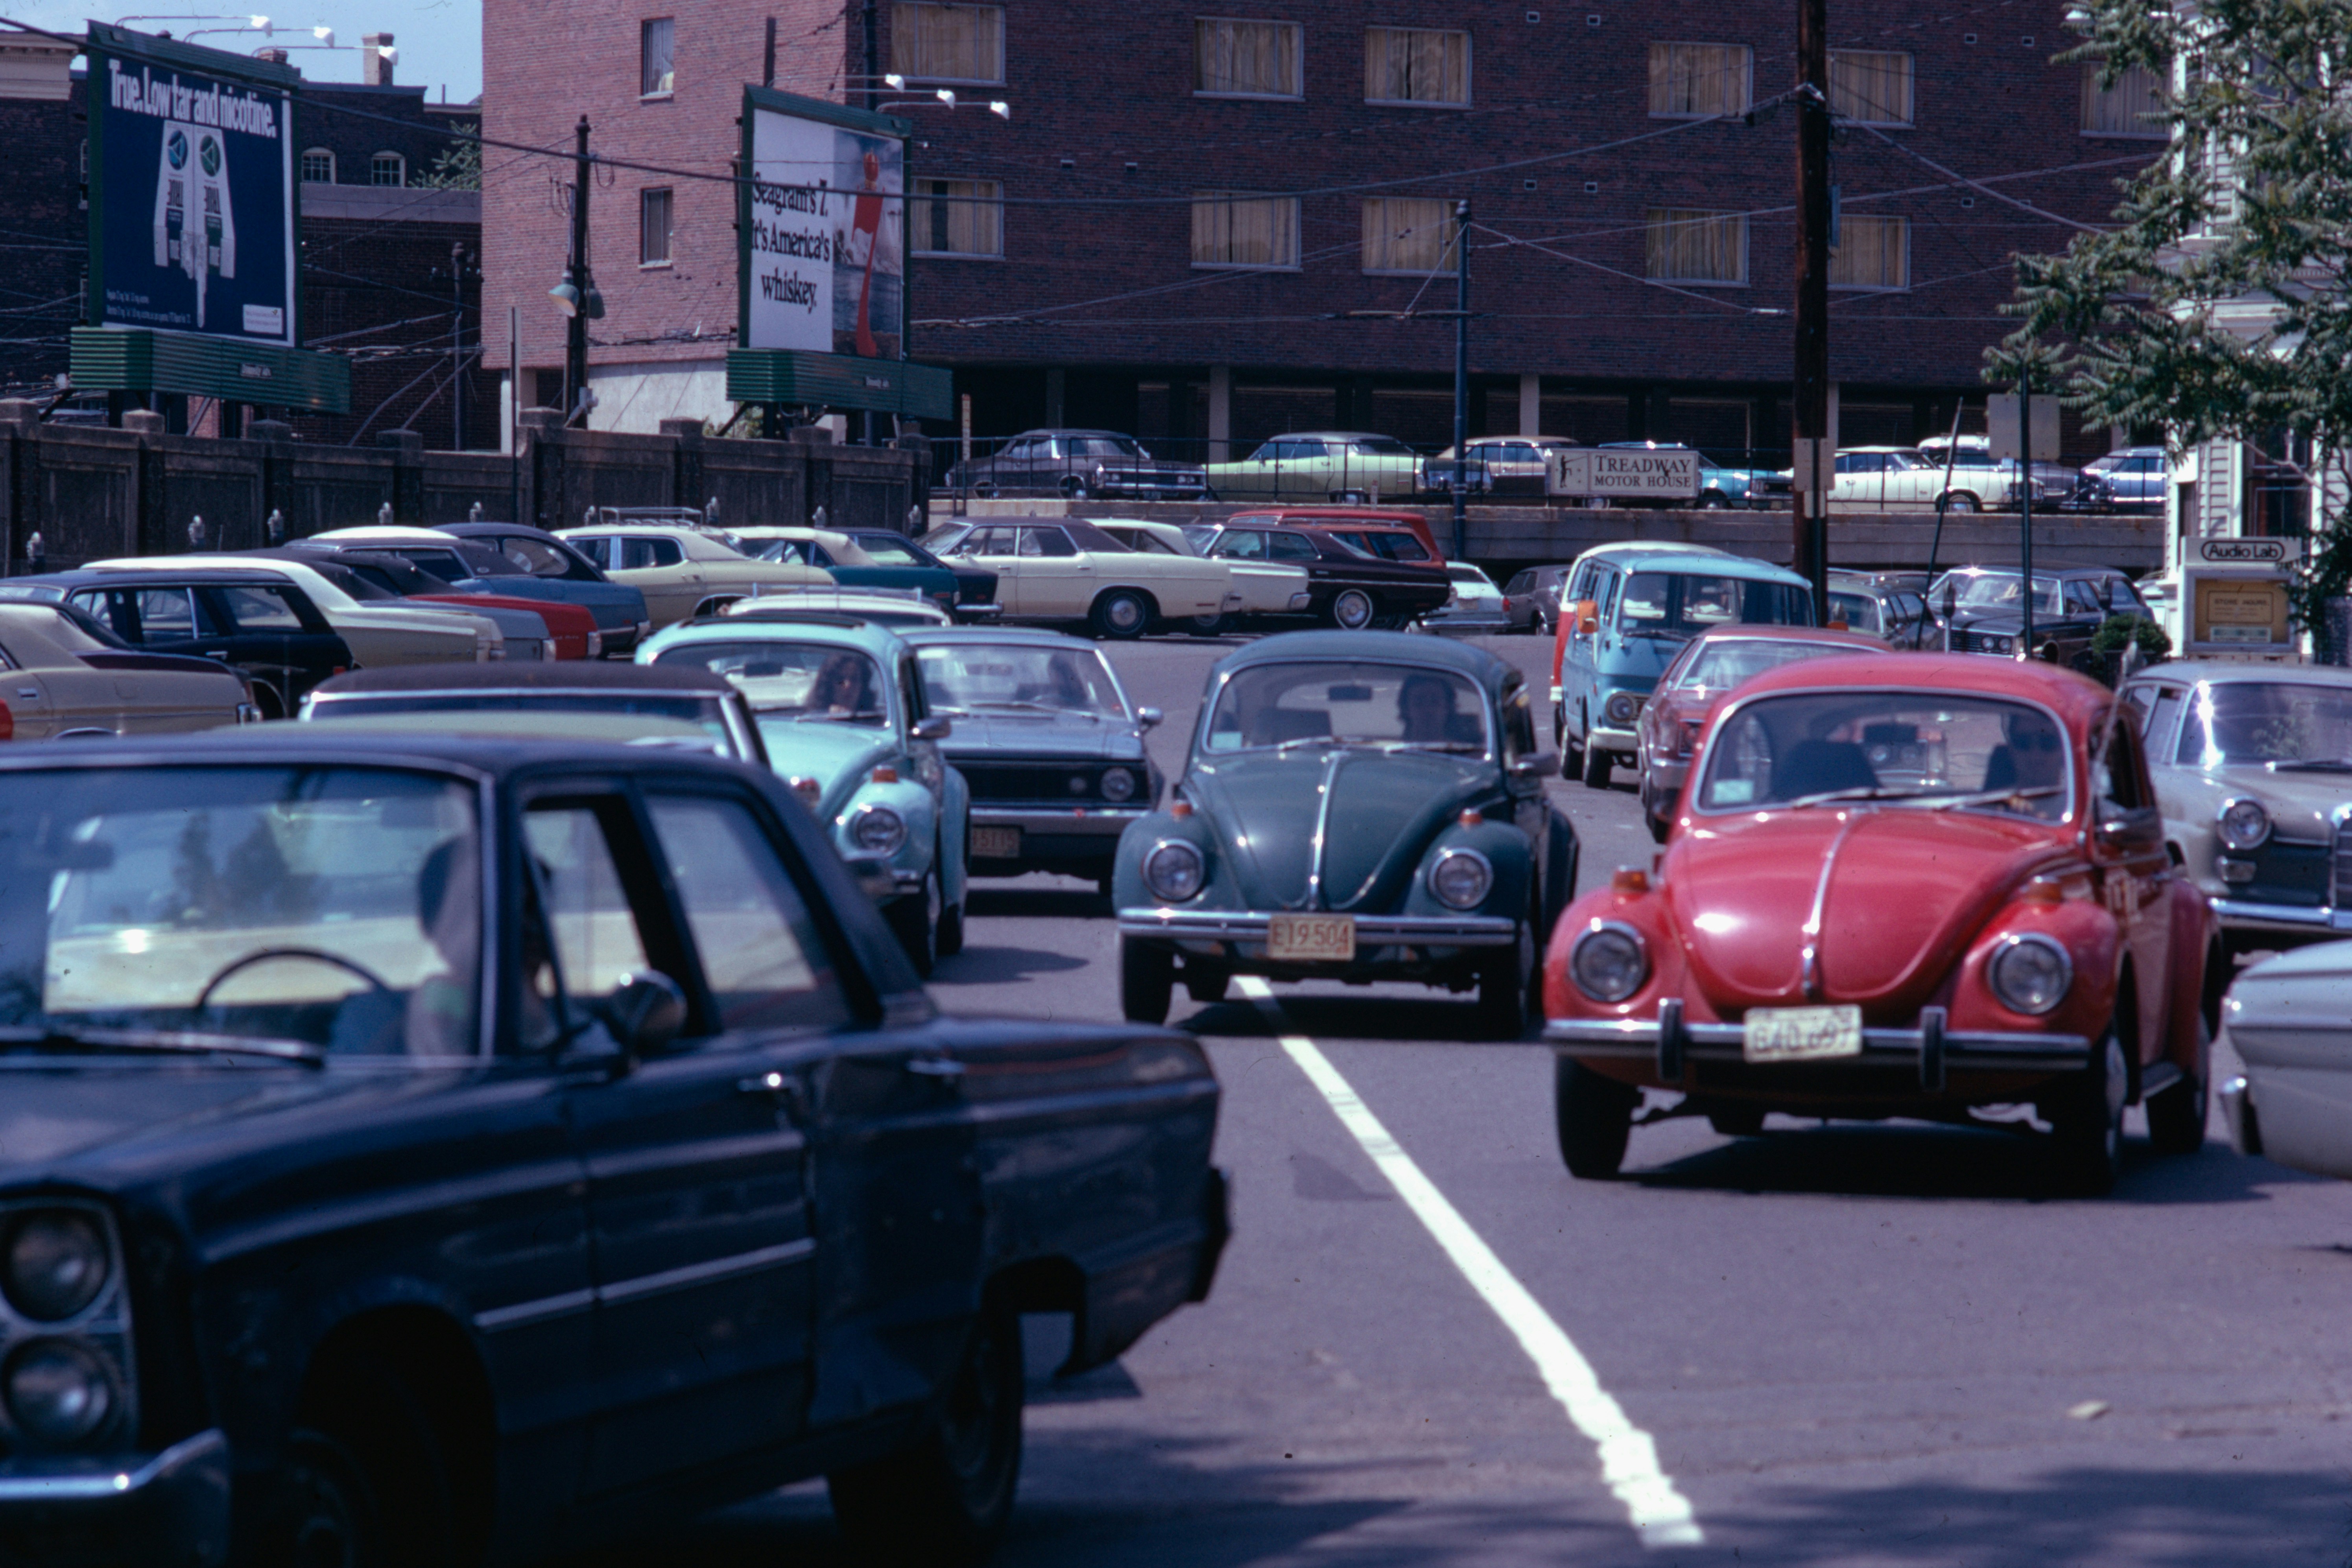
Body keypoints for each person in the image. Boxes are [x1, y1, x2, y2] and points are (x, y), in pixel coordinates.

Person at [1398, 673, 1462, 744]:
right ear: (1406, 709)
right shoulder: (1393, 755)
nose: (1428, 710)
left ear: (1448, 708)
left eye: (1435, 702)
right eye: (1419, 703)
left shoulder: (1464, 753)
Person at [810, 651, 872, 715]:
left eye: (854, 679)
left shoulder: (875, 722)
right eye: (840, 679)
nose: (848, 685)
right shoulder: (813, 719)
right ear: (829, 684)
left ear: (863, 685)